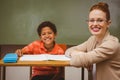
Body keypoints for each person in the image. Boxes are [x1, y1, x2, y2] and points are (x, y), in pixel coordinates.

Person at [65, 2, 120, 80]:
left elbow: (75, 62)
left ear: (108, 23)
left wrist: (84, 59)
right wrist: (81, 55)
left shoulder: (112, 44)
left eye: (100, 20)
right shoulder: (92, 40)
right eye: (91, 20)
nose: (94, 24)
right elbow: (68, 51)